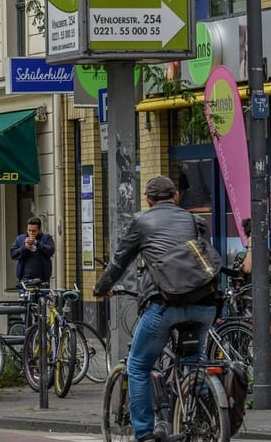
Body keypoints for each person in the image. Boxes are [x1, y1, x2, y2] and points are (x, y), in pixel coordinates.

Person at [93, 176, 216, 442]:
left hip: (165, 305)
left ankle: (145, 433)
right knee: (193, 363)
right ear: (176, 197)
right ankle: (206, 417)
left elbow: (118, 262)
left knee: (138, 365)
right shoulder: (193, 221)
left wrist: (101, 288)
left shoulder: (142, 221)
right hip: (205, 304)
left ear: (148, 200)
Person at [9, 216, 55, 286]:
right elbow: (13, 254)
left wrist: (37, 243)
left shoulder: (46, 238)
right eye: (29, 230)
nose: (31, 233)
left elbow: (50, 251)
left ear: (39, 230)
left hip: (42, 280)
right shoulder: (20, 239)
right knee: (25, 297)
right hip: (25, 279)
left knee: (42, 297)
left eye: (34, 231)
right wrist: (25, 248)